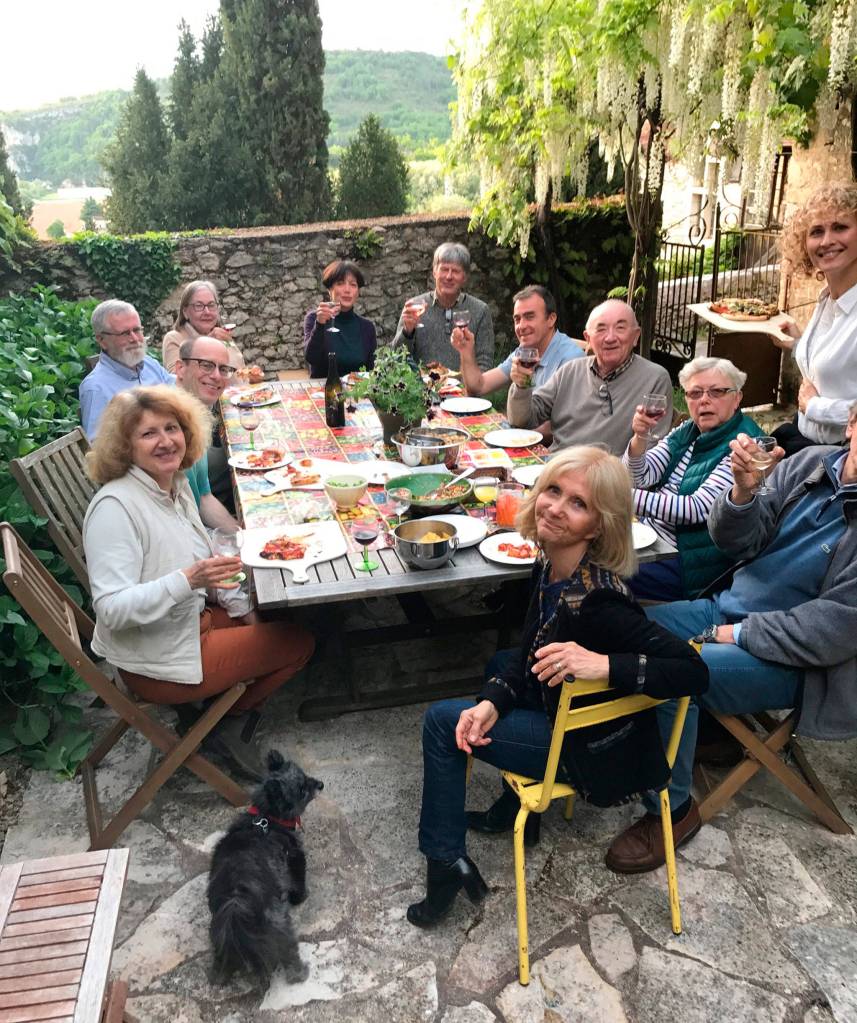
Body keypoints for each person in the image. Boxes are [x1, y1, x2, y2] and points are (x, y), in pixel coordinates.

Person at [407, 447, 708, 928]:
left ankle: (444, 862)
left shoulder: (601, 602)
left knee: (442, 724)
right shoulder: (552, 566)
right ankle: (514, 816)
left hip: (595, 751)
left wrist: (603, 664)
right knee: (500, 663)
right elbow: (528, 653)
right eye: (553, 491)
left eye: (578, 503)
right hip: (566, 714)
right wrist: (492, 701)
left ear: (598, 526)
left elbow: (693, 671)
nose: (555, 508)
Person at [606, 405, 857, 873]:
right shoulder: (809, 465)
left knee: (666, 671)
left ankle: (673, 811)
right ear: (851, 426)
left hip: (801, 663)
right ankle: (704, 734)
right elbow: (736, 542)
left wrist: (738, 633)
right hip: (728, 606)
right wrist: (742, 493)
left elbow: (834, 630)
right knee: (616, 626)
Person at [82, 385, 315, 780]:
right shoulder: (115, 508)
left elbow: (209, 566)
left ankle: (213, 706)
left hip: (185, 624)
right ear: (125, 446)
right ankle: (223, 725)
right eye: (148, 433)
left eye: (172, 428)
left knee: (277, 612)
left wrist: (239, 605)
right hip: (157, 660)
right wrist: (187, 579)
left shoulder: (174, 485)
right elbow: (111, 609)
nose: (166, 441)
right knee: (300, 643)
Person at [624, 356, 764, 601]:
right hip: (650, 538)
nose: (704, 400)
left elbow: (697, 509)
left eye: (717, 392)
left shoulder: (746, 445)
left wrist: (618, 496)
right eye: (695, 393)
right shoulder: (688, 430)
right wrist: (640, 437)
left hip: (688, 562)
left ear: (738, 398)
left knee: (596, 566)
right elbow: (640, 476)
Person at [507, 299, 673, 454]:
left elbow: (651, 453)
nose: (610, 338)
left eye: (620, 328)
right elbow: (522, 421)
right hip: (557, 466)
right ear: (588, 338)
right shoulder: (571, 370)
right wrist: (522, 386)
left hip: (608, 478)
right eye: (601, 329)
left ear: (635, 336)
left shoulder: (655, 378)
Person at [774, 184, 857, 455]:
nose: (826, 241)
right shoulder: (826, 302)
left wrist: (814, 407)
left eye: (840, 227)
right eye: (816, 231)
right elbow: (836, 366)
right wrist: (799, 343)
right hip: (800, 442)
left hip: (840, 461)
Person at [452, 285, 583, 398]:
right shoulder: (525, 352)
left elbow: (561, 420)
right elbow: (479, 386)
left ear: (551, 319)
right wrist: (466, 351)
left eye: (529, 317)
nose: (521, 326)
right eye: (517, 319)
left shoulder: (571, 360)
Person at [80, 300, 174, 440]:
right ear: (102, 340)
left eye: (137, 330)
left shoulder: (148, 364)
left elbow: (178, 392)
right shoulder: (96, 389)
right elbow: (99, 449)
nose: (135, 339)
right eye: (125, 333)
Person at [394, 242, 495, 371]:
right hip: (421, 388)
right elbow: (397, 357)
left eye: (456, 271)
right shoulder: (414, 308)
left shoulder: (480, 310)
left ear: (464, 277)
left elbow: (485, 361)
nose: (449, 276)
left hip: (465, 389)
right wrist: (407, 332)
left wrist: (467, 388)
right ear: (434, 272)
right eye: (444, 269)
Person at [174, 335, 241, 525]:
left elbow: (203, 497)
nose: (217, 376)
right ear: (180, 368)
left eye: (223, 369)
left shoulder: (196, 416)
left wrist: (242, 537)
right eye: (206, 365)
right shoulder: (172, 426)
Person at [303, 260, 377, 377]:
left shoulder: (367, 327)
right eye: (340, 283)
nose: (347, 290)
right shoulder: (315, 318)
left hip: (357, 392)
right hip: (323, 391)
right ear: (329, 289)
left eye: (353, 285)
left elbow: (371, 371)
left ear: (358, 292)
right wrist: (320, 324)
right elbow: (311, 358)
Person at [162, 281, 244, 375]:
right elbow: (176, 379)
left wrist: (228, 344)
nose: (207, 312)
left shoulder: (221, 337)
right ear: (185, 312)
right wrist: (207, 345)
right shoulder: (174, 339)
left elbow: (241, 376)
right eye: (199, 306)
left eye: (211, 305)